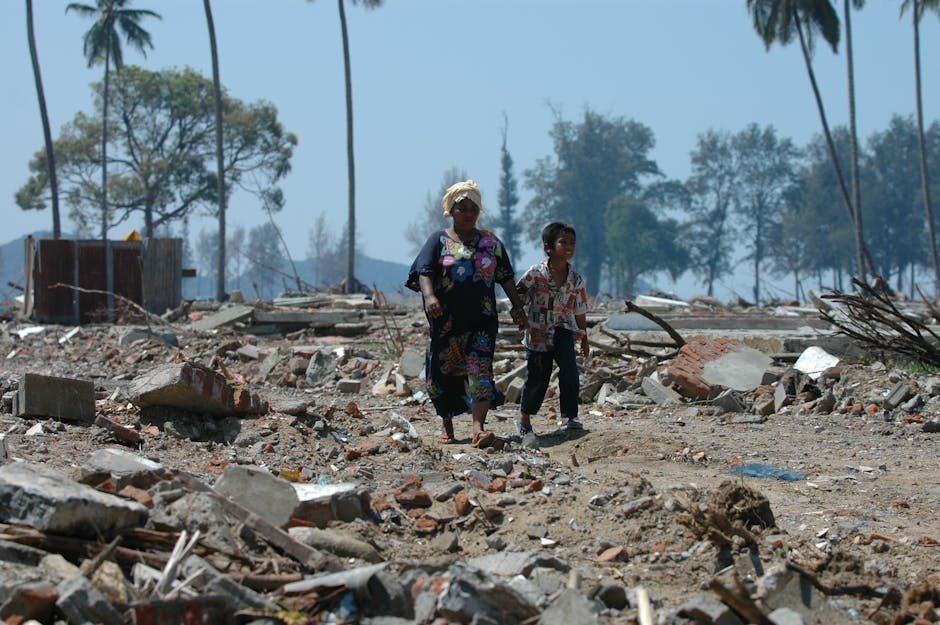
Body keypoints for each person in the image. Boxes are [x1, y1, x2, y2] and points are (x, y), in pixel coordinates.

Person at [406, 180, 527, 447]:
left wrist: (519, 308)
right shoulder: (438, 240)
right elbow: (424, 271)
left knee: (480, 370)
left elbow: (505, 278)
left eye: (473, 208)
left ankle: (478, 429)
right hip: (446, 321)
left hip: (482, 321)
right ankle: (446, 425)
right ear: (451, 210)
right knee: (443, 372)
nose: (469, 213)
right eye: (462, 208)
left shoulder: (490, 242)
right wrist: (429, 296)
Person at [515, 222, 589, 436]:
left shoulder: (576, 279)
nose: (569, 247)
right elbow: (518, 296)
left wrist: (584, 337)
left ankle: (570, 417)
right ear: (548, 247)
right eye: (563, 242)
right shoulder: (535, 274)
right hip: (538, 333)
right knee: (538, 376)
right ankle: (524, 417)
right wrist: (519, 315)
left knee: (570, 371)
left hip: (564, 330)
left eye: (572, 243)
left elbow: (580, 310)